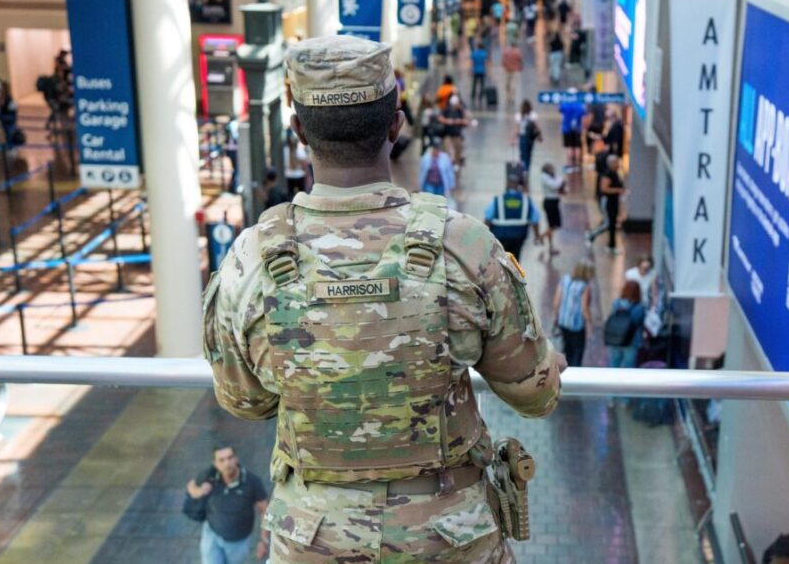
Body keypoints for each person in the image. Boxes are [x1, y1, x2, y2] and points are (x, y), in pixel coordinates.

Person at [203, 35, 564, 563]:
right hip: (449, 541)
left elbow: (245, 402)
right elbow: (535, 395)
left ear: (299, 130)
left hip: (313, 540)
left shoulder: (250, 261)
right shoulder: (463, 247)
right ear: (396, 125)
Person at [185, 443, 269, 564]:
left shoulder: (252, 482)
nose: (227, 463)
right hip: (212, 535)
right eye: (221, 460)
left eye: (230, 458)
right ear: (215, 463)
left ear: (236, 459)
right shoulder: (209, 475)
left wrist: (264, 540)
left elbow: (265, 511)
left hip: (237, 542)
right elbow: (191, 486)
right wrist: (199, 492)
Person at [485, 177, 542, 260]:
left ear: (506, 186)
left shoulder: (498, 200)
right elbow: (535, 219)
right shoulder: (526, 200)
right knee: (515, 258)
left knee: (501, 258)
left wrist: (485, 236)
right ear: (518, 187)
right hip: (519, 235)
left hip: (500, 235)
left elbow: (488, 218)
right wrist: (537, 235)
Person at [553, 260, 594, 367]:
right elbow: (584, 308)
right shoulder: (585, 286)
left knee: (567, 349)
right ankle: (575, 371)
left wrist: (557, 316)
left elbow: (556, 302)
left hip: (563, 321)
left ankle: (567, 369)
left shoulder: (564, 280)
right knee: (577, 352)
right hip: (576, 325)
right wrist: (590, 324)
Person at [588, 154, 624, 254]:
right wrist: (618, 190)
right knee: (608, 223)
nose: (618, 164)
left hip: (614, 201)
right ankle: (592, 234)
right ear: (611, 163)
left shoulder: (615, 173)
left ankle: (611, 245)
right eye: (616, 162)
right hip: (608, 201)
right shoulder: (607, 174)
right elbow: (604, 189)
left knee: (611, 223)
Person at [605, 280, 646, 368]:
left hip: (615, 338)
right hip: (631, 341)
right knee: (629, 366)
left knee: (614, 364)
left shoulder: (616, 303)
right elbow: (638, 323)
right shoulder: (639, 307)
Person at [437, 94, 471, 170]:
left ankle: (456, 164)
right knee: (449, 151)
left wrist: (460, 121)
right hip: (448, 135)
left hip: (457, 135)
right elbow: (440, 118)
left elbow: (466, 121)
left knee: (458, 151)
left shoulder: (460, 111)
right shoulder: (446, 110)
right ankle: (449, 164)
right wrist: (447, 121)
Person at [558, 89, 588, 172]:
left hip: (566, 129)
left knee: (569, 147)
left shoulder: (565, 104)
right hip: (577, 129)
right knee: (577, 146)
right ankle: (577, 164)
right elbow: (583, 117)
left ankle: (570, 164)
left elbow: (561, 116)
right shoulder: (580, 104)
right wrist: (583, 128)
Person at [538, 163, 564, 256]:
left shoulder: (551, 176)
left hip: (554, 202)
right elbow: (555, 185)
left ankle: (547, 242)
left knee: (554, 225)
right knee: (552, 225)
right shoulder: (544, 177)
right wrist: (560, 179)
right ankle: (542, 238)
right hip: (550, 203)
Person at [514, 99, 542, 171]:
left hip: (523, 137)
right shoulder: (533, 115)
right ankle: (527, 170)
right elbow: (537, 127)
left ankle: (523, 170)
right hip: (530, 138)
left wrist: (514, 139)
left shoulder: (519, 115)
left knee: (522, 155)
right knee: (529, 155)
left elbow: (517, 130)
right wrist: (539, 136)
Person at [284, 131, 310, 196]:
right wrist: (308, 176)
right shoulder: (300, 151)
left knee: (290, 195)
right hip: (300, 176)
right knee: (302, 195)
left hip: (289, 176)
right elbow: (305, 165)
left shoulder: (285, 150)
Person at [470, 43, 490, 107]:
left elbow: (472, 63)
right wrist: (487, 71)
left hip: (475, 70)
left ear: (478, 47)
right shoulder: (484, 53)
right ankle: (480, 96)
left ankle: (473, 95)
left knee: (474, 83)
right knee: (482, 84)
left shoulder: (474, 53)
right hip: (482, 71)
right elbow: (485, 63)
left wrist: (471, 70)